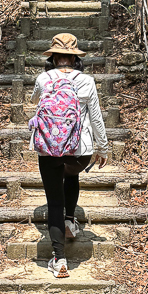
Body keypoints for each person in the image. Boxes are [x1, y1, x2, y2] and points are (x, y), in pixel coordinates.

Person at [30, 33, 109, 278]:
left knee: (54, 201)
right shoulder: (87, 81)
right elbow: (96, 117)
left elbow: (34, 99)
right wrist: (103, 148)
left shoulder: (43, 78)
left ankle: (59, 260)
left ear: (53, 58)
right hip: (79, 152)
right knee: (72, 175)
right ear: (75, 59)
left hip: (49, 149)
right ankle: (69, 220)